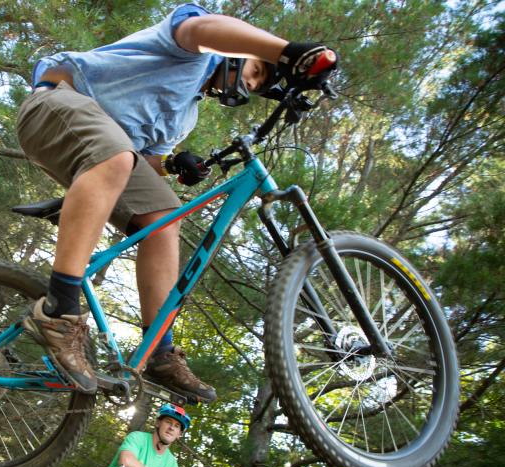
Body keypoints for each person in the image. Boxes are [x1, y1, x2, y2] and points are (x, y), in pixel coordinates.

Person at [18, 3, 337, 403]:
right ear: (238, 51)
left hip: (101, 150)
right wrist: (288, 53)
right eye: (256, 70)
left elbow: (143, 158)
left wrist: (171, 163)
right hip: (55, 103)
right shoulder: (189, 51)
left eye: (257, 87)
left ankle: (159, 351)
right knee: (116, 156)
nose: (249, 84)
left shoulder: (185, 118)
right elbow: (204, 28)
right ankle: (58, 311)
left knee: (166, 218)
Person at [87, 404, 190, 467]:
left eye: (177, 426)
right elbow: (126, 461)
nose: (171, 428)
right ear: (158, 423)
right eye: (168, 421)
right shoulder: (138, 438)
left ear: (179, 434)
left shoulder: (172, 464)